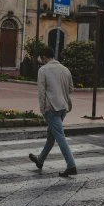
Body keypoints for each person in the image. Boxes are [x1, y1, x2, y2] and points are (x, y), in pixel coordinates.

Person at [29, 46, 77, 177]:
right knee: (52, 135)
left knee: (59, 136)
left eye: (41, 57)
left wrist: (42, 108)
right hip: (63, 108)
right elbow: (71, 89)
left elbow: (41, 92)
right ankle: (40, 160)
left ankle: (71, 165)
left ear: (44, 56)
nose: (40, 59)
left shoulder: (43, 70)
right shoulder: (65, 69)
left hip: (51, 108)